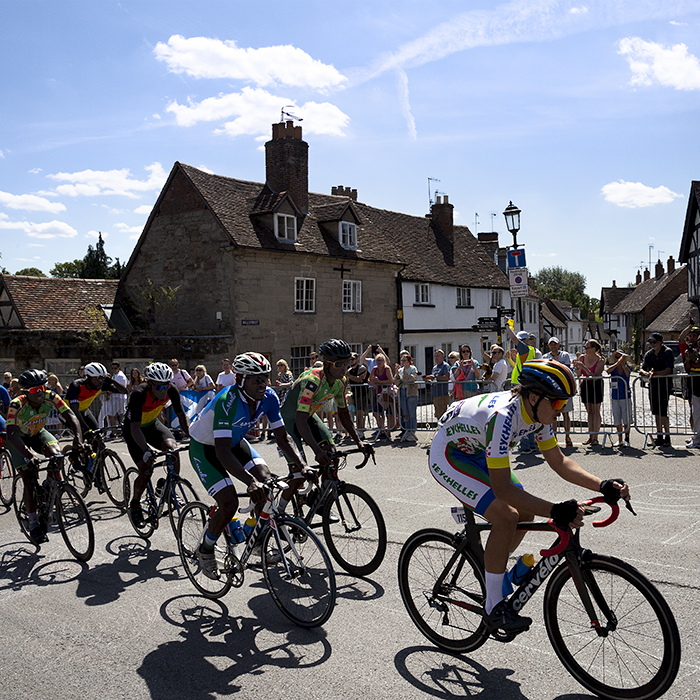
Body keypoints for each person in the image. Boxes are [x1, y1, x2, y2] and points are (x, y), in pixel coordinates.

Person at [429, 359, 631, 633]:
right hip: (450, 454)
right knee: (506, 514)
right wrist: (556, 510)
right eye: (558, 404)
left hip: (477, 450)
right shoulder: (503, 417)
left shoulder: (537, 414)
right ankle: (493, 607)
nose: (561, 411)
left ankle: (494, 571)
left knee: (525, 512)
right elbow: (503, 491)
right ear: (534, 397)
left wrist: (602, 485)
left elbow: (559, 461)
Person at [188, 352, 312, 579]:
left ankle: (255, 537)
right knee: (229, 502)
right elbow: (222, 452)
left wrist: (302, 465)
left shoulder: (270, 397)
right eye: (256, 380)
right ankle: (205, 549)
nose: (262, 384)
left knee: (267, 484)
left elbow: (283, 438)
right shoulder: (228, 401)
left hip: (234, 442)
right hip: (206, 448)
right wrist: (249, 481)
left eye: (265, 378)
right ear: (240, 380)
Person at [5, 369, 83, 543]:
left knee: (57, 455)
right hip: (19, 439)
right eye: (34, 390)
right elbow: (11, 434)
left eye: (42, 387)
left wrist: (78, 439)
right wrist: (28, 455)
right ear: (25, 392)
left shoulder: (51, 396)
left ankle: (49, 485)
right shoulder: (17, 404)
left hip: (38, 433)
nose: (40, 393)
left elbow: (71, 416)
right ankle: (33, 523)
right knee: (29, 477)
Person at [279, 339, 372, 469]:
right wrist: (317, 451)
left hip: (307, 416)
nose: (345, 368)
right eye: (339, 364)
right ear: (326, 364)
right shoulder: (311, 381)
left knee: (332, 457)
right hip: (289, 421)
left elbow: (344, 413)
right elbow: (300, 420)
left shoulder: (341, 382)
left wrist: (359, 442)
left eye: (346, 363)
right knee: (299, 472)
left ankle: (327, 488)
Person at [124, 362, 190, 526]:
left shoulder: (171, 389)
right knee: (146, 469)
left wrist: (193, 436)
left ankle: (168, 488)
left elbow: (182, 415)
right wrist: (146, 450)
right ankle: (135, 504)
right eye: (159, 387)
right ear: (150, 383)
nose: (163, 390)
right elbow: (134, 427)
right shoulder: (139, 393)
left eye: (166, 386)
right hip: (134, 429)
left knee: (173, 450)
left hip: (153, 425)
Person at [65, 361, 128, 437]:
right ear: (88, 377)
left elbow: (124, 391)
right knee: (82, 435)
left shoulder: (102, 385)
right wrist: (87, 429)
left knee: (97, 435)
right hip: (69, 412)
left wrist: (112, 381)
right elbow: (74, 409)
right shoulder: (76, 385)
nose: (100, 381)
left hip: (84, 410)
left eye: (102, 378)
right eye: (96, 378)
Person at [505, 326, 538, 453]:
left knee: (521, 415)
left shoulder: (524, 348)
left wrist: (507, 327)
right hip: (525, 382)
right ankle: (530, 444)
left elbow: (513, 338)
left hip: (520, 384)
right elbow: (519, 366)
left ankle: (525, 446)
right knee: (527, 414)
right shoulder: (530, 350)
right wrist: (511, 359)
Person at [639, 333, 674, 447]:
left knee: (663, 411)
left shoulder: (667, 352)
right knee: (656, 411)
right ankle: (659, 436)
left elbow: (668, 370)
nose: (652, 344)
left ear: (660, 342)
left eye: (654, 342)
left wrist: (655, 374)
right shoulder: (649, 354)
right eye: (650, 342)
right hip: (653, 385)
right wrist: (647, 373)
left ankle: (667, 437)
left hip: (664, 385)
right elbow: (642, 369)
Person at [543, 337, 574, 447]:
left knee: (566, 413)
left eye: (555, 344)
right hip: (552, 389)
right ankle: (554, 436)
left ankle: (567, 436)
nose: (553, 346)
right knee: (553, 414)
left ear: (559, 345)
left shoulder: (564, 355)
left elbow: (567, 369)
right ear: (549, 346)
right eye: (551, 344)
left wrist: (555, 362)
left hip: (564, 388)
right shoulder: (545, 356)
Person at [573, 340, 605, 446]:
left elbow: (595, 375)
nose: (585, 349)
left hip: (596, 385)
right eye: (585, 347)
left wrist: (583, 367)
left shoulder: (600, 360)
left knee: (596, 411)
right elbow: (578, 373)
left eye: (587, 347)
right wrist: (577, 367)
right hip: (586, 384)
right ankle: (591, 436)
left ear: (593, 349)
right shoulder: (582, 358)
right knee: (589, 411)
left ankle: (595, 436)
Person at [605, 350, 631, 448]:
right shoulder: (614, 368)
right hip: (615, 396)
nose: (619, 359)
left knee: (626, 418)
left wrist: (623, 364)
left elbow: (628, 374)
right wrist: (617, 363)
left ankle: (627, 439)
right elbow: (608, 371)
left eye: (620, 357)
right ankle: (619, 439)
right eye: (617, 357)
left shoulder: (627, 367)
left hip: (625, 396)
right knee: (617, 418)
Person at [369, 352, 395, 440]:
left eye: (380, 360)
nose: (378, 362)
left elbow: (391, 380)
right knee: (376, 413)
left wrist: (379, 382)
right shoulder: (374, 369)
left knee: (388, 413)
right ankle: (382, 429)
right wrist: (373, 383)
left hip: (387, 393)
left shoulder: (387, 369)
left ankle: (388, 432)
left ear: (384, 361)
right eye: (377, 360)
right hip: (379, 393)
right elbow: (369, 379)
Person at [424, 349, 451, 424]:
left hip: (442, 393)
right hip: (435, 393)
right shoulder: (435, 367)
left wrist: (435, 377)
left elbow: (446, 377)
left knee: (442, 413)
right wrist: (428, 379)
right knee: (437, 413)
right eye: (435, 356)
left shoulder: (445, 366)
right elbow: (434, 379)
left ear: (443, 356)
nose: (436, 358)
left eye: (438, 356)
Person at [396, 353, 418, 441]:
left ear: (409, 361)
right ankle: (407, 431)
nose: (402, 362)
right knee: (405, 412)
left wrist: (404, 373)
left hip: (411, 392)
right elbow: (397, 382)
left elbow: (412, 379)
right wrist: (397, 375)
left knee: (411, 412)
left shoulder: (413, 368)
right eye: (401, 360)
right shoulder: (400, 370)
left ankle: (412, 432)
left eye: (404, 360)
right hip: (402, 391)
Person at [346, 353, 369, 439]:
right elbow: (347, 381)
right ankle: (353, 431)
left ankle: (361, 432)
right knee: (352, 412)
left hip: (362, 393)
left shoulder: (361, 368)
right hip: (354, 393)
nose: (351, 361)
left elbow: (359, 379)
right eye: (350, 360)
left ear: (357, 359)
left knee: (360, 413)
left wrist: (348, 375)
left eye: (353, 359)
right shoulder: (349, 370)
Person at [104, 361, 129, 432]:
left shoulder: (120, 376)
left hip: (118, 397)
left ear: (119, 368)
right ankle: (123, 431)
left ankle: (113, 432)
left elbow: (118, 389)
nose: (113, 370)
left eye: (115, 368)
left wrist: (108, 392)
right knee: (121, 415)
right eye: (112, 368)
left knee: (110, 414)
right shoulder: (116, 375)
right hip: (118, 397)